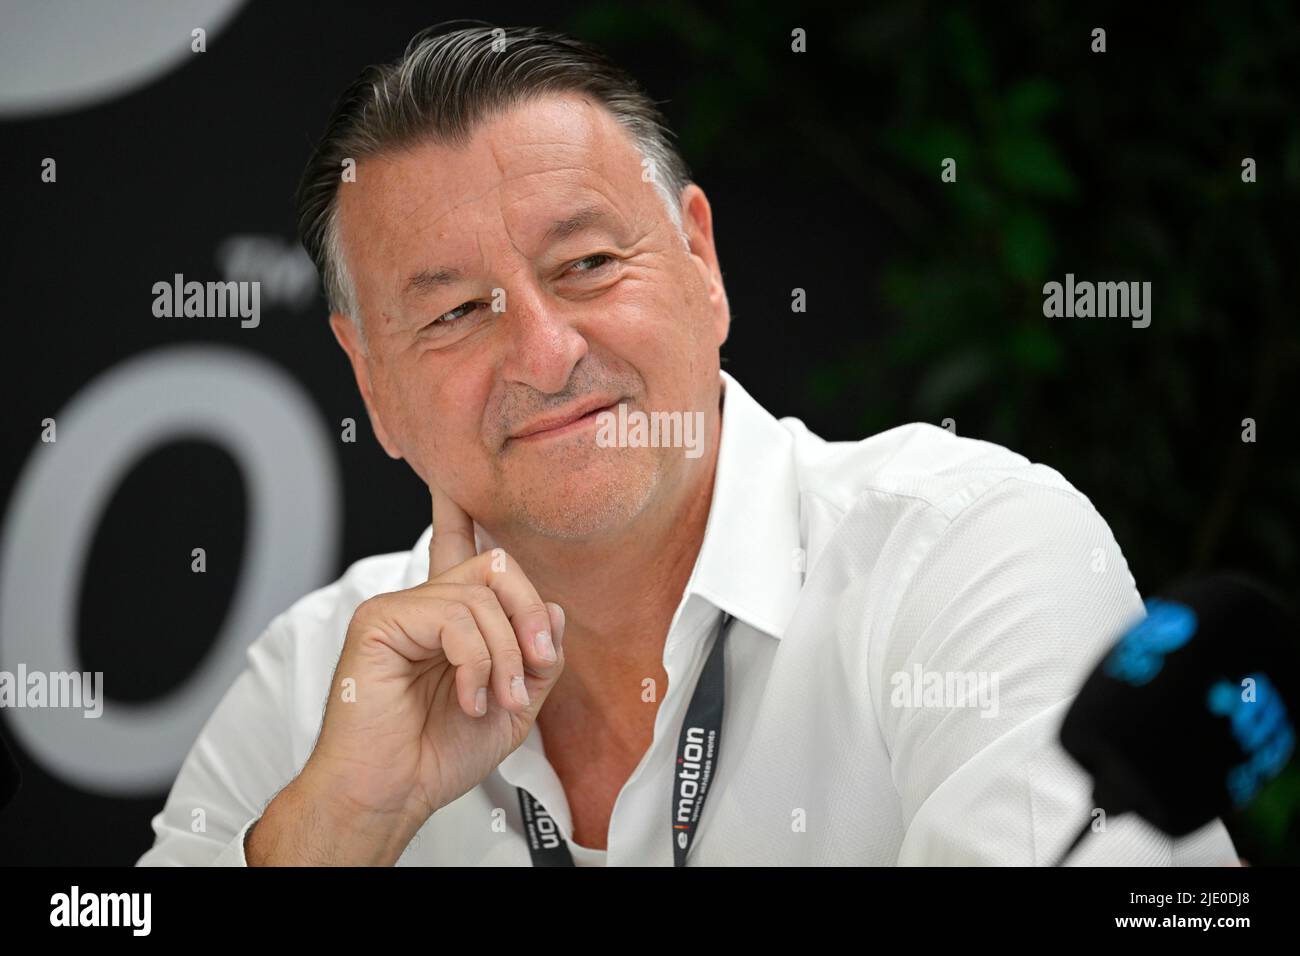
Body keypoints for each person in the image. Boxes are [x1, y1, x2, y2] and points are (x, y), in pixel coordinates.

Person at [137, 24, 1238, 866]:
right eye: (455, 312)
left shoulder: (965, 550)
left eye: (587, 265)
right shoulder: (313, 676)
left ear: (701, 262)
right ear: (370, 379)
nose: (546, 349)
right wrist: (332, 829)